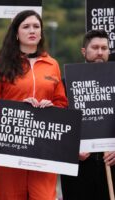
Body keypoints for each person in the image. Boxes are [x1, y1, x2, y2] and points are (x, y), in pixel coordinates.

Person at [0, 10, 68, 200]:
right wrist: (18, 110)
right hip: (10, 149)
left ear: (42, 32)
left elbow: (62, 104)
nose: (32, 30)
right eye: (26, 26)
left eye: (36, 26)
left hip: (44, 150)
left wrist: (50, 106)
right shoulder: (2, 63)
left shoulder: (52, 64)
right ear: (16, 33)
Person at [61, 29, 115, 200]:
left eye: (104, 48)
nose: (100, 52)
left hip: (111, 166)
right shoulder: (66, 83)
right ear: (84, 51)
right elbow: (58, 125)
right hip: (78, 168)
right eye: (95, 47)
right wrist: (71, 148)